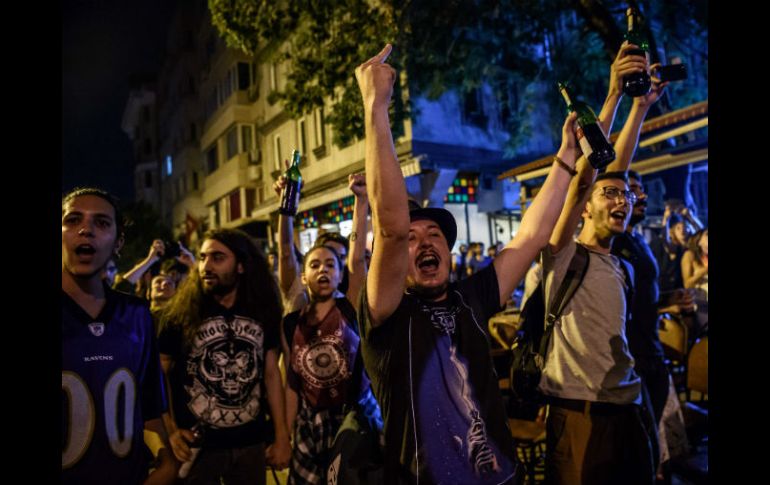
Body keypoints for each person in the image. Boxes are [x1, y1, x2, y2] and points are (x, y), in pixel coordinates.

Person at [354, 43, 579, 484]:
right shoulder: (386, 313)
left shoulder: (470, 297)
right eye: (414, 239)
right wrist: (376, 106)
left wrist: (568, 154)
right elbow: (393, 230)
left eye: (434, 235)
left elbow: (531, 236)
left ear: (449, 251)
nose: (423, 243)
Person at [539, 42, 657, 484]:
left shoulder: (623, 266)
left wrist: (641, 107)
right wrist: (612, 97)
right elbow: (592, 170)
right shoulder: (563, 253)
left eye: (626, 196)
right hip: (579, 410)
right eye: (610, 193)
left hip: (630, 404)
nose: (621, 200)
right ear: (585, 206)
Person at [157, 228, 291, 484]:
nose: (206, 265)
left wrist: (281, 436)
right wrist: (171, 431)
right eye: (203, 257)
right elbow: (159, 373)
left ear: (241, 266)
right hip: (198, 447)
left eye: (217, 258)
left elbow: (272, 375)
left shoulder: (262, 309)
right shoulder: (179, 314)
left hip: (250, 442)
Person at [62, 187, 176, 484]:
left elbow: (149, 409)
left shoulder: (137, 314)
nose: (86, 229)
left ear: (118, 243)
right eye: (73, 220)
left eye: (101, 223)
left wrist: (165, 460)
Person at [281, 173, 378, 484]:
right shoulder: (292, 321)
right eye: (314, 264)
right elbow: (292, 385)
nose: (322, 269)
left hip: (352, 417)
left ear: (340, 275)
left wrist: (360, 201)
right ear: (304, 277)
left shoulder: (349, 308)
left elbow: (357, 261)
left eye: (330, 265)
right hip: (311, 422)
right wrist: (285, 432)